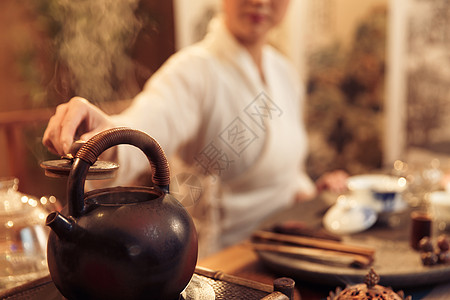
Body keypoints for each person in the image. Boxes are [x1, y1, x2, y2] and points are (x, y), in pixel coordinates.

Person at [43, 0, 348, 257]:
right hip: (223, 261)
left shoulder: (284, 72)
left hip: (287, 246)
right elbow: (149, 121)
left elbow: (286, 169)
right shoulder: (194, 70)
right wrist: (105, 134)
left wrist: (313, 191)